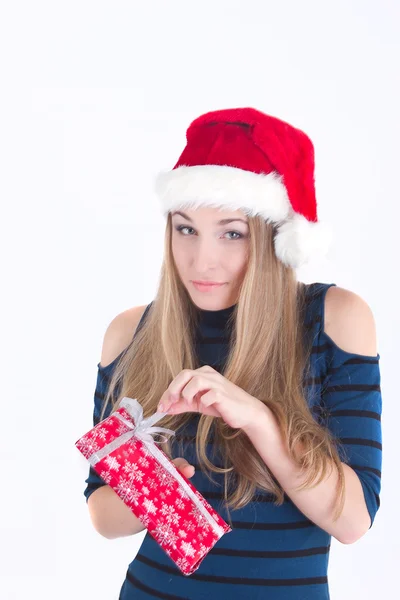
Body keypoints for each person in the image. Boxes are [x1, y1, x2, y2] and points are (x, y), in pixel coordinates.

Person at [83, 107, 382, 600]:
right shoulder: (132, 331)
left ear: (273, 239)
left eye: (232, 233)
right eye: (186, 229)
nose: (202, 260)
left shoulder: (333, 319)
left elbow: (353, 521)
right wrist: (158, 492)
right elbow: (102, 514)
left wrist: (259, 420)